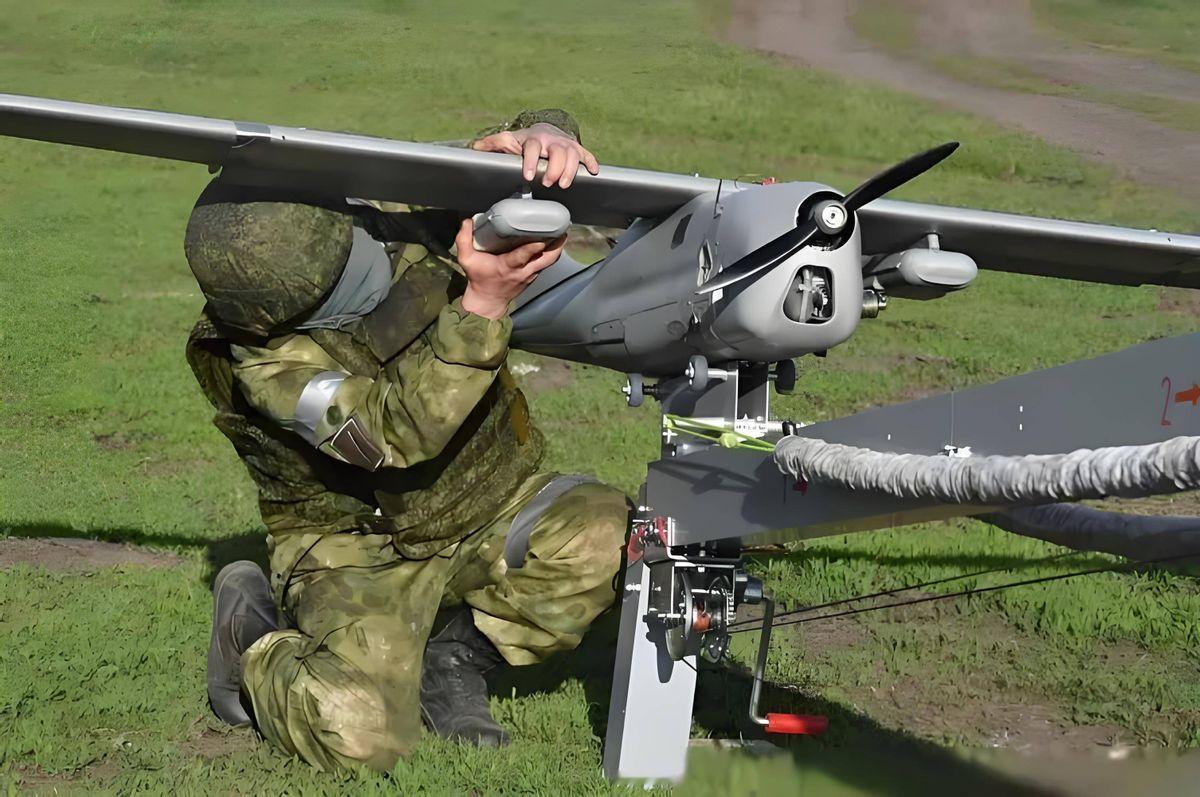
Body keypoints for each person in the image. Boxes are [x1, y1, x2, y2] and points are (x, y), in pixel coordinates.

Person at [184, 109, 629, 773]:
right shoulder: (267, 365)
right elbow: (394, 433)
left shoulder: (390, 205)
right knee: (355, 734)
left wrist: (546, 140)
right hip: (360, 550)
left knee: (608, 536)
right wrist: (482, 306)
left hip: (483, 505)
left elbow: (521, 135)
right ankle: (250, 639)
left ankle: (456, 660)